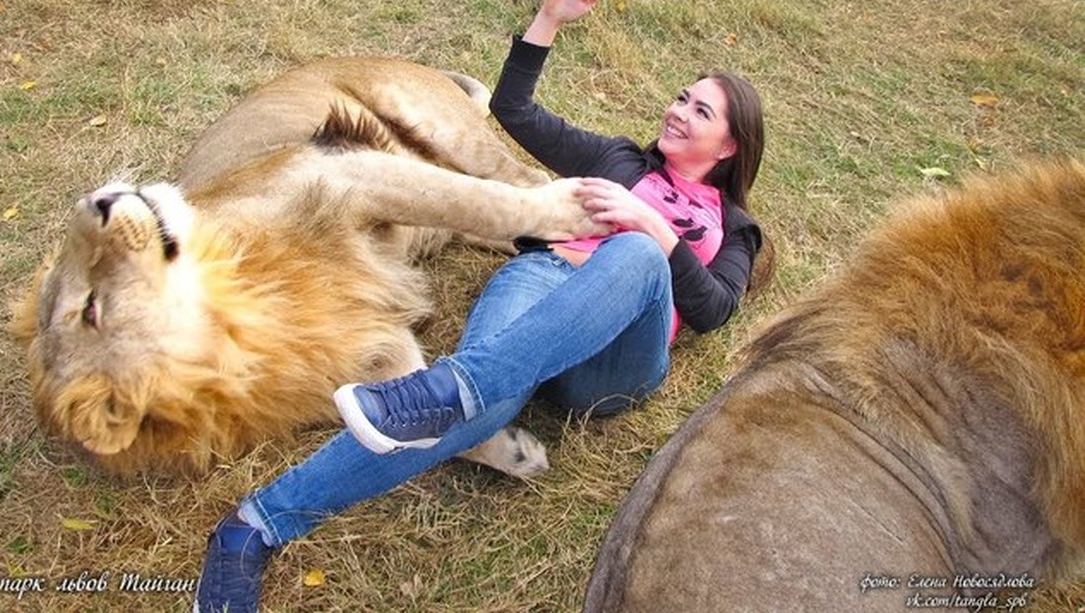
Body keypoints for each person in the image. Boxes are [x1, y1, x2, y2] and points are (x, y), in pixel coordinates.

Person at [194, 0, 766, 610]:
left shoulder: (734, 227)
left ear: (729, 146)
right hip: (542, 281)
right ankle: (254, 527)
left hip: (616, 354)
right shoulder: (619, 160)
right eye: (681, 97)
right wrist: (547, 19)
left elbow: (714, 309)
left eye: (700, 111)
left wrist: (651, 226)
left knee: (636, 256)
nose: (678, 111)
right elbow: (514, 110)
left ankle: (447, 388)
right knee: (477, 403)